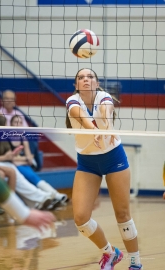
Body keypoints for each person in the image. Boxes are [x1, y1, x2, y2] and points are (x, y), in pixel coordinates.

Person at [65, 68, 143, 270]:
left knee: (123, 214)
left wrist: (106, 127)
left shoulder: (104, 97)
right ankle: (111, 252)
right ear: (76, 85)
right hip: (87, 162)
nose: (85, 80)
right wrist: (95, 131)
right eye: (80, 77)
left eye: (90, 76)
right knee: (81, 218)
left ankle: (135, 262)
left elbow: (106, 110)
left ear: (97, 82)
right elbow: (81, 117)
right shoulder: (72, 102)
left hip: (113, 158)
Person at [0, 142, 55, 229]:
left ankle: (41, 197)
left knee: (13, 172)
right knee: (5, 173)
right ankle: (41, 197)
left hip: (1, 164)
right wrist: (23, 214)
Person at [0, 116, 54, 210]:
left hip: (6, 162)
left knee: (21, 180)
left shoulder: (3, 136)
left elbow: (11, 154)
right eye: (4, 124)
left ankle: (36, 202)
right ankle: (40, 197)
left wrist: (12, 154)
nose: (6, 126)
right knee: (16, 177)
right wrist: (6, 157)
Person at [10, 115, 68, 208]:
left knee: (32, 176)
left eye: (20, 122)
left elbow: (29, 158)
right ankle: (52, 196)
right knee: (30, 177)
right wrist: (20, 159)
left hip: (24, 164)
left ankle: (52, 197)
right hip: (15, 165)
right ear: (10, 124)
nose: (18, 124)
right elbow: (10, 159)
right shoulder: (6, 138)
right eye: (15, 122)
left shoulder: (24, 138)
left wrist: (18, 160)